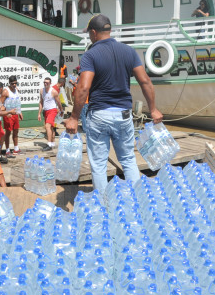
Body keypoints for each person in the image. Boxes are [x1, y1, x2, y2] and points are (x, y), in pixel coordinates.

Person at [64, 14, 163, 198]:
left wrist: (74, 118)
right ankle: (137, 201)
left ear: (94, 33)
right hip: (123, 114)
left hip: (99, 115)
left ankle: (104, 204)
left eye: (89, 34)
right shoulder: (129, 51)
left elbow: (83, 87)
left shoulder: (90, 55)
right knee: (128, 160)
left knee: (99, 164)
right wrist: (154, 108)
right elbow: (145, 81)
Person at [38, 76, 64, 150]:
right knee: (51, 128)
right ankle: (52, 143)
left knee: (47, 126)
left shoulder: (53, 91)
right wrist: (39, 113)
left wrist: (61, 110)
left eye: (47, 83)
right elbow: (41, 102)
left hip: (52, 110)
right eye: (44, 82)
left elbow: (59, 102)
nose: (45, 84)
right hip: (46, 111)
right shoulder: (41, 91)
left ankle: (49, 144)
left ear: (50, 83)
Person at [0, 75, 23, 158]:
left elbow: (17, 102)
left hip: (15, 113)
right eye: (12, 83)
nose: (14, 85)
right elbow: (0, 104)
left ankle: (16, 148)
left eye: (15, 83)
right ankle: (7, 150)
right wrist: (6, 113)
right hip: (8, 114)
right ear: (9, 83)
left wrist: (20, 112)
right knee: (8, 132)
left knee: (16, 131)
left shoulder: (16, 90)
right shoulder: (6, 92)